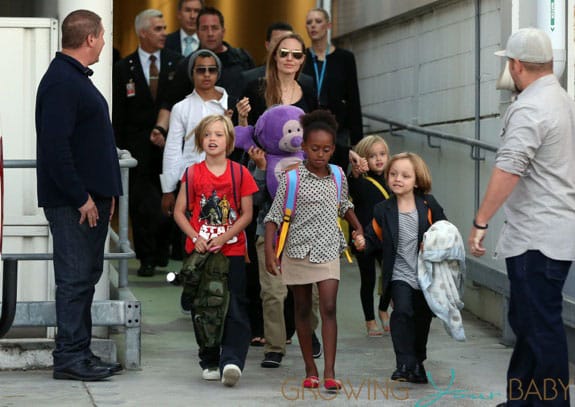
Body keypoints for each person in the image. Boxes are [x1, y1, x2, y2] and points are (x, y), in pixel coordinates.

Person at [468, 28, 575, 407]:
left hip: (537, 235)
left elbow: (509, 168)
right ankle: (522, 400)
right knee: (529, 321)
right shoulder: (561, 99)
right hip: (552, 231)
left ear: (515, 65)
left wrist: (481, 221)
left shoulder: (531, 107)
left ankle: (550, 404)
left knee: (539, 326)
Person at [36, 9, 123, 381]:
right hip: (74, 204)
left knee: (84, 277)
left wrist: (106, 192)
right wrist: (83, 198)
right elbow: (56, 147)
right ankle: (70, 358)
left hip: (89, 200)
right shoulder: (62, 82)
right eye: (102, 35)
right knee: (74, 279)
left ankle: (80, 353)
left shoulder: (72, 79)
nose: (104, 41)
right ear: (89, 38)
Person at [264, 110, 363, 390]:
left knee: (329, 306)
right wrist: (271, 253)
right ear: (304, 147)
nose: (320, 154)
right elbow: (273, 217)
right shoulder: (291, 179)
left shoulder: (338, 175)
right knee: (303, 308)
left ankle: (330, 372)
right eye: (315, 148)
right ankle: (311, 369)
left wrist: (357, 227)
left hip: (328, 247)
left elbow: (344, 205)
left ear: (333, 149)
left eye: (327, 149)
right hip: (296, 250)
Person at [173, 114, 258, 387]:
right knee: (204, 307)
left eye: (219, 134)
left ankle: (231, 360)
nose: (213, 139)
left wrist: (225, 236)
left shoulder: (240, 173)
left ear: (229, 140)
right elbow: (179, 211)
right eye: (208, 134)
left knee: (234, 305)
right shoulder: (192, 173)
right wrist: (194, 236)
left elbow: (246, 214)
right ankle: (209, 358)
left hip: (231, 252)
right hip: (202, 255)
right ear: (200, 140)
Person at [359, 152, 446, 384]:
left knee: (421, 319)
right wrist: (362, 243)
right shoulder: (383, 209)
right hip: (400, 273)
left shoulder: (429, 205)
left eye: (405, 176)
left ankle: (417, 362)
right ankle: (404, 363)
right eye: (393, 174)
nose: (398, 179)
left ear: (417, 181)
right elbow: (372, 236)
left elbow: (445, 231)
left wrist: (432, 243)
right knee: (402, 312)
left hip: (426, 275)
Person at [158, 49, 235, 311]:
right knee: (192, 239)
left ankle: (216, 289)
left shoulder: (229, 104)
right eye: (200, 69)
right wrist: (169, 188)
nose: (206, 75)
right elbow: (172, 149)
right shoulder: (182, 107)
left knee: (224, 237)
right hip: (191, 182)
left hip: (226, 181)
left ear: (218, 72)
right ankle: (191, 286)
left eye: (211, 69)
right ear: (191, 73)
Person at [113, 9, 183, 277]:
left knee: (169, 199)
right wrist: (118, 148)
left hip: (170, 147)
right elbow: (118, 113)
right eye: (158, 28)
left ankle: (163, 248)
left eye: (165, 28)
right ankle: (146, 258)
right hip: (136, 149)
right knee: (141, 206)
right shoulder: (123, 68)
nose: (164, 33)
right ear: (142, 32)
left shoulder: (177, 64)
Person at [152, 6, 255, 147]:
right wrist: (160, 128)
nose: (210, 33)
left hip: (239, 136)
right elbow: (170, 102)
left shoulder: (243, 59)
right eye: (204, 28)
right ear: (197, 33)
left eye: (215, 28)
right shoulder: (187, 64)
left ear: (223, 31)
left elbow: (254, 96)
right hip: (200, 142)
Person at [302, 8, 363, 171]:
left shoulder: (345, 58)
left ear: (328, 25)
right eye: (309, 22)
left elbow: (353, 98)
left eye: (318, 21)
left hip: (338, 129)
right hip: (309, 126)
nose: (313, 26)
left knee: (337, 175)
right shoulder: (301, 58)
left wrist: (358, 140)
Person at [348, 135, 392, 336]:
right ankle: (370, 320)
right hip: (364, 236)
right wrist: (356, 172)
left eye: (382, 154)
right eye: (373, 156)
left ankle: (383, 309)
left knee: (391, 276)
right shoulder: (359, 180)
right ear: (363, 159)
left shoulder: (393, 178)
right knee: (368, 279)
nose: (379, 159)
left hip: (387, 236)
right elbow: (351, 186)